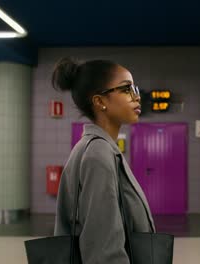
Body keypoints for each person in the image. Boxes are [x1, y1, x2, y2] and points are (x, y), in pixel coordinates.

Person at [52, 57, 155, 264]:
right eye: (126, 89)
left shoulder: (101, 148)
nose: (136, 97)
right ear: (100, 102)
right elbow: (103, 249)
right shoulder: (97, 153)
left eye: (134, 88)